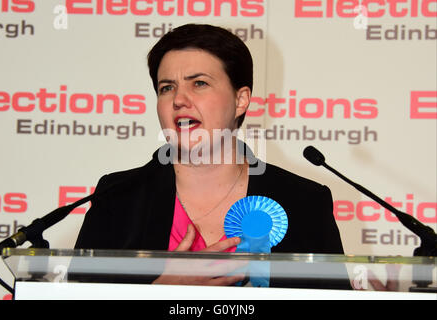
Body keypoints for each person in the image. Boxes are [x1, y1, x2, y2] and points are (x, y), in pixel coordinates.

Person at [74, 24, 347, 288]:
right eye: (166, 87)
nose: (179, 99)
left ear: (241, 100)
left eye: (199, 83)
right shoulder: (116, 199)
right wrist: (156, 294)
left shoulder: (305, 201)